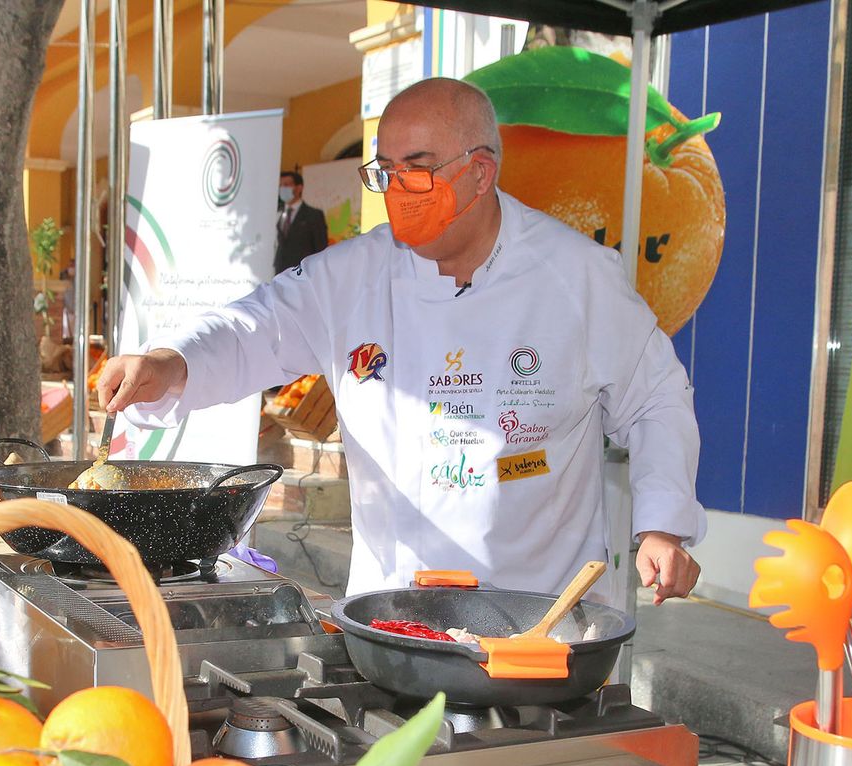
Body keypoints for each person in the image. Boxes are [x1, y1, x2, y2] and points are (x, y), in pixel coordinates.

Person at [99, 78, 704, 603]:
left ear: (480, 172)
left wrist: (663, 526)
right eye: (385, 171)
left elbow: (655, 397)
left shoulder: (576, 276)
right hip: (395, 614)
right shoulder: (352, 276)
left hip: (538, 620)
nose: (396, 188)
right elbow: (253, 326)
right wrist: (170, 363)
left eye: (418, 167)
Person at [274, 170, 328, 275]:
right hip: (279, 273)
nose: (282, 188)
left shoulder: (314, 215)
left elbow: (321, 248)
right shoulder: (277, 213)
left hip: (302, 273)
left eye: (286, 185)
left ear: (299, 188)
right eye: (280, 185)